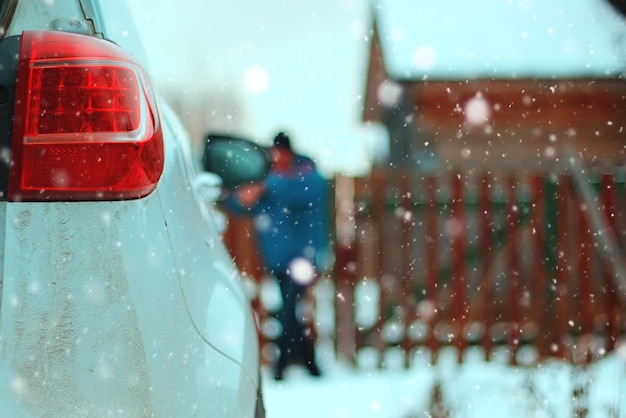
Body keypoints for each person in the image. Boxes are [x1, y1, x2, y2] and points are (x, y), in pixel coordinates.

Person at [221, 131, 330, 380]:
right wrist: (235, 194)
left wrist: (262, 186)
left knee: (289, 308)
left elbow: (306, 190)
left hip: (304, 258)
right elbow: (241, 206)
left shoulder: (307, 175)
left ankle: (287, 363)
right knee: (290, 309)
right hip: (278, 260)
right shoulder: (268, 184)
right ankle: (307, 360)